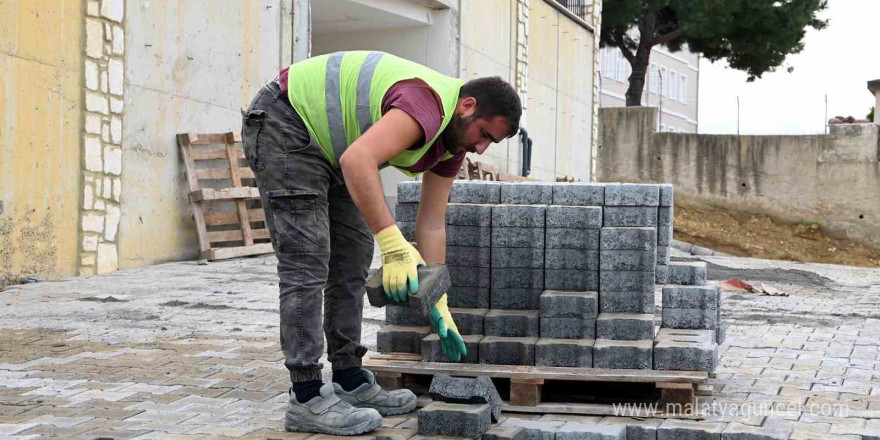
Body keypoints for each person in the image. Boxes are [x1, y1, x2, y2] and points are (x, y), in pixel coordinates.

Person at [241, 50, 522, 435]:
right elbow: (359, 161)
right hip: (285, 121)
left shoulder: (450, 144)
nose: (481, 149)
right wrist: (391, 242)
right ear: (467, 107)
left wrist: (437, 297)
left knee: (352, 256)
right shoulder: (428, 106)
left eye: (492, 143)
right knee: (307, 260)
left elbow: (432, 224)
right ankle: (306, 394)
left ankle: (349, 378)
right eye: (485, 135)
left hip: (330, 148)